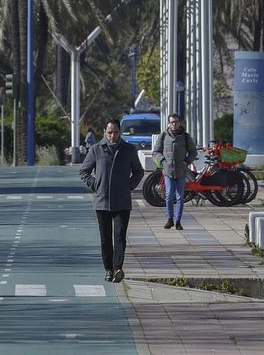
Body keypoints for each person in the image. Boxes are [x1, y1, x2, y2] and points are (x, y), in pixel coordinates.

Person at [79, 120, 145, 283]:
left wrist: (128, 186)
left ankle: (118, 269)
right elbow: (84, 171)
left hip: (122, 201)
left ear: (120, 132)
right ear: (104, 132)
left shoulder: (128, 149)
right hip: (102, 202)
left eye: (115, 132)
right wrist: (96, 185)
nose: (112, 135)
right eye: (109, 132)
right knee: (105, 239)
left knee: (120, 236)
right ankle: (108, 269)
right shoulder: (96, 150)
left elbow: (138, 171)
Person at [154, 113, 195, 230]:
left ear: (180, 122)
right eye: (172, 122)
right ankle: (170, 219)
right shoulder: (163, 136)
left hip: (181, 171)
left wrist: (187, 161)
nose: (174, 124)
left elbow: (193, 152)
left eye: (176, 122)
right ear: (169, 123)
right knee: (168, 195)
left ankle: (178, 221)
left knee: (180, 197)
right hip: (168, 170)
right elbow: (156, 151)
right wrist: (162, 161)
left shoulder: (186, 137)